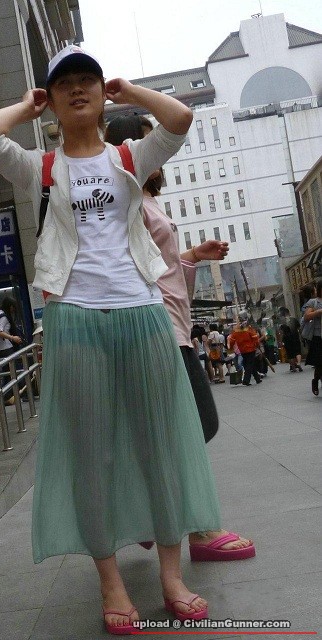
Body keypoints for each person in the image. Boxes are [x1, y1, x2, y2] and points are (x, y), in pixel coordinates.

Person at [0, 45, 221, 633]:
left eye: (88, 80)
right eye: (66, 84)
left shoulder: (130, 156)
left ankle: (171, 575)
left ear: (102, 94)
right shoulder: (42, 167)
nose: (78, 89)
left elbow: (181, 118)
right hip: (75, 317)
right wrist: (26, 107)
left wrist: (129, 91)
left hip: (142, 310)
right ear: (53, 100)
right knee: (92, 453)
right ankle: (111, 582)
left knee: (161, 446)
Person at [105, 114, 254, 567]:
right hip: (158, 330)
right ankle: (196, 528)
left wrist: (191, 255)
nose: (160, 153)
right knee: (192, 426)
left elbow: (159, 266)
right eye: (149, 143)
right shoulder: (125, 198)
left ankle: (150, 516)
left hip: (173, 328)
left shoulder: (146, 199)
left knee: (182, 429)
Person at [0, 297, 23, 404]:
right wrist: (13, 338)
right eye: (13, 307)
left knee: (7, 374)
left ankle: (7, 397)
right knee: (11, 374)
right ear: (10, 306)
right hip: (7, 348)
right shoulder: (4, 316)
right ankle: (6, 397)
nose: (13, 310)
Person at [302, 279, 322, 396]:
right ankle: (315, 381)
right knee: (320, 363)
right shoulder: (313, 302)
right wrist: (318, 312)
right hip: (318, 337)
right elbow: (306, 316)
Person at [228, 321, 262, 385]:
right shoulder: (249, 330)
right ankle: (246, 380)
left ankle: (257, 379)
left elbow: (231, 341)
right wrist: (257, 345)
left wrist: (231, 349)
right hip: (251, 349)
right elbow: (255, 338)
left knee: (249, 364)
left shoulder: (235, 332)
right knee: (249, 364)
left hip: (242, 350)